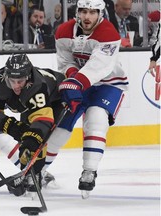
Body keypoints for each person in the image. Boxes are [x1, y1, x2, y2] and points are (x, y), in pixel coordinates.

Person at [55, 0, 128, 198]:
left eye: (92, 12)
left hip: (108, 84)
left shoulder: (108, 33)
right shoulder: (63, 31)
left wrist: (75, 82)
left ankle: (89, 170)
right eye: (84, 11)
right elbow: (65, 61)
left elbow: (99, 66)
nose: (87, 17)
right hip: (78, 82)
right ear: (77, 12)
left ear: (100, 13)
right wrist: (71, 77)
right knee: (60, 126)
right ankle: (38, 170)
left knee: (96, 118)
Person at [0, 53, 65, 192]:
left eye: (20, 81)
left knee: (38, 137)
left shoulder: (37, 84)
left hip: (57, 98)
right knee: (27, 136)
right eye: (12, 81)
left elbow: (43, 120)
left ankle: (37, 173)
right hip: (28, 104)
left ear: (28, 77)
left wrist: (31, 140)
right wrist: (16, 129)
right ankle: (32, 171)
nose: (16, 86)